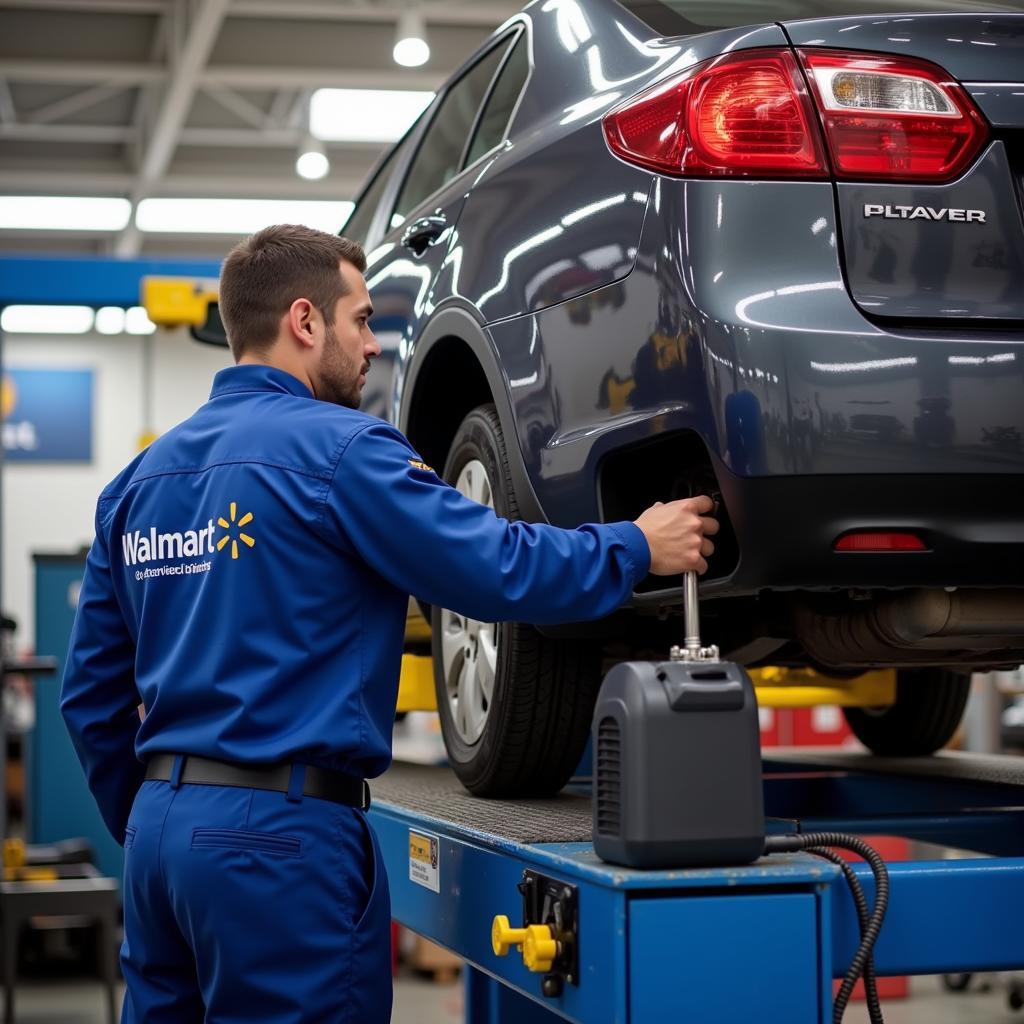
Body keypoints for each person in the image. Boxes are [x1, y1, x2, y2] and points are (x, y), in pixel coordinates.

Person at [61, 224, 718, 1023]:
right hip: (281, 843)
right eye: (362, 319)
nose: (374, 345)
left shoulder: (136, 483)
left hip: (160, 839)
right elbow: (494, 566)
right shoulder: (343, 452)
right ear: (305, 322)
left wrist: (148, 821)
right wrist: (635, 545)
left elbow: (88, 695)